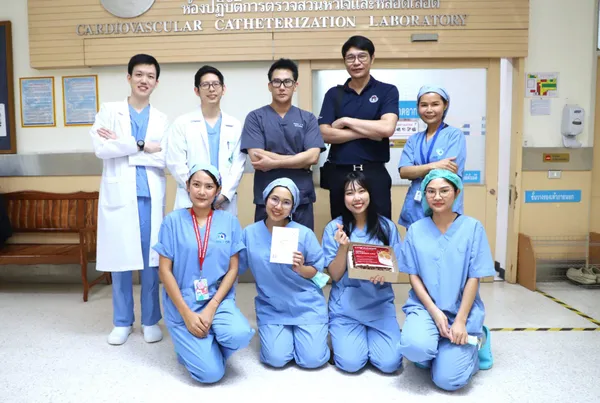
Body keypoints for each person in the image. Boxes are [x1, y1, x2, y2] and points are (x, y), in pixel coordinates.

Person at [90, 54, 168, 346]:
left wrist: (124, 147)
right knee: (121, 260)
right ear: (129, 78)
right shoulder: (109, 111)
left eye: (150, 76)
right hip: (119, 196)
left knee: (151, 262)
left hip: (148, 196)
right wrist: (142, 145)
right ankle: (122, 321)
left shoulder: (161, 119)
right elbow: (101, 149)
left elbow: (164, 159)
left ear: (156, 82)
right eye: (139, 74)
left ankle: (150, 320)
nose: (144, 80)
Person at [153, 164, 255, 384]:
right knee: (210, 374)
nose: (201, 191)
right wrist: (187, 314)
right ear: (187, 186)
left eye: (209, 186)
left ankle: (205, 344)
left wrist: (211, 306)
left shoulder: (229, 222)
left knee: (239, 334)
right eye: (196, 185)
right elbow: (164, 270)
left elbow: (233, 269)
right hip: (183, 303)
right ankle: (192, 348)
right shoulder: (172, 221)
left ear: (218, 190)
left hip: (217, 299)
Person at [397, 169, 494, 391]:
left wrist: (460, 320)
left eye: (444, 191)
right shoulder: (416, 230)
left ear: (456, 192)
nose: (437, 197)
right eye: (431, 191)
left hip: (460, 309)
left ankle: (478, 342)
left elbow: (474, 276)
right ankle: (434, 345)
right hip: (426, 308)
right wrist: (434, 311)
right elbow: (413, 275)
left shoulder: (472, 228)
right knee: (414, 348)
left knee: (448, 381)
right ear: (424, 194)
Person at [240, 178, 330, 369]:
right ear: (265, 199)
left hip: (305, 304)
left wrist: (301, 268)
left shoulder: (303, 233)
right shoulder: (249, 234)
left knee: (312, 360)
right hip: (272, 306)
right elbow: (236, 266)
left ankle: (311, 334)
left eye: (286, 202)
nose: (278, 206)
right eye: (274, 199)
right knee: (276, 359)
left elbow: (317, 270)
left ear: (293, 207)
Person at [322, 171, 403, 373]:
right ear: (343, 198)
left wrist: (384, 275)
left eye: (361, 191)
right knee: (350, 364)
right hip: (346, 309)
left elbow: (396, 270)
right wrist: (344, 247)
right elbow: (335, 275)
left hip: (379, 306)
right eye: (350, 193)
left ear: (370, 193)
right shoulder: (334, 228)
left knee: (390, 364)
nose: (356, 198)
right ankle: (344, 340)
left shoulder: (387, 227)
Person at [318, 35, 399, 220]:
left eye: (362, 56)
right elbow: (324, 133)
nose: (356, 62)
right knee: (342, 227)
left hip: (374, 172)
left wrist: (346, 121)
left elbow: (387, 129)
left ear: (372, 58)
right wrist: (370, 132)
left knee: (380, 227)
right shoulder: (334, 94)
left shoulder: (387, 91)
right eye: (350, 57)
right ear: (344, 61)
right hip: (340, 173)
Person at [241, 58, 325, 230]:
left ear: (295, 85)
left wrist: (273, 163)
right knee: (266, 245)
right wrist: (300, 159)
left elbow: (313, 157)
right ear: (269, 86)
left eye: (287, 82)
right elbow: (256, 156)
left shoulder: (307, 118)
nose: (282, 87)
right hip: (268, 199)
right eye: (276, 82)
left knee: (301, 245)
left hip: (301, 198)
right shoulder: (255, 117)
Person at [167, 65, 245, 215]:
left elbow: (238, 165)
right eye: (205, 85)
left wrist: (223, 195)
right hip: (190, 200)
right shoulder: (182, 123)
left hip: (223, 202)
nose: (211, 89)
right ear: (196, 90)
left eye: (216, 84)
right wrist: (198, 192)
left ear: (223, 89)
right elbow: (176, 163)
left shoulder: (235, 125)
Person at [398, 86, 466, 228]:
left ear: (445, 105)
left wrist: (417, 170)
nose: (429, 110)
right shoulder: (413, 140)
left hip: (442, 204)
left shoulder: (454, 136)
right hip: (415, 206)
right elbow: (404, 171)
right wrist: (434, 165)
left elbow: (447, 172)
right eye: (424, 105)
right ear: (418, 107)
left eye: (435, 104)